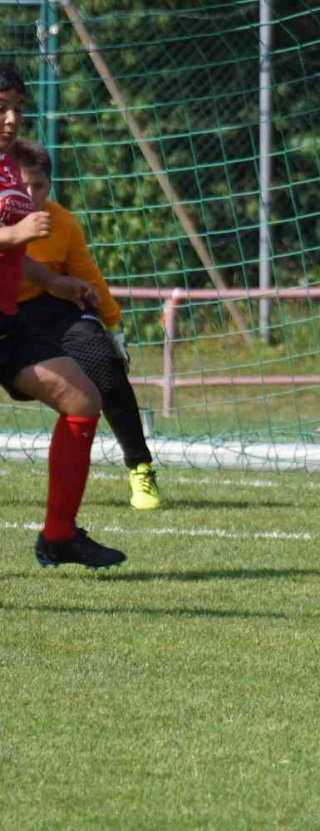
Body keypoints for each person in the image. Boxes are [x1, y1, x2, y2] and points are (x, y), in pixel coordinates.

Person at [0, 63, 126, 568]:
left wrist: (52, 281)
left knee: (82, 398)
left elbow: (11, 252)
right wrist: (15, 234)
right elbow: (10, 239)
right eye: (1, 108)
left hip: (6, 319)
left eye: (17, 109)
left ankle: (58, 536)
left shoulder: (9, 168)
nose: (11, 119)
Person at [12, 138, 162, 510]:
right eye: (22, 185)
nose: (30, 195)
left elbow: (88, 277)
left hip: (51, 308)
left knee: (104, 363)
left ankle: (140, 467)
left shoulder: (62, 224)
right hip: (6, 312)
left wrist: (113, 326)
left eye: (39, 186)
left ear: (50, 185)